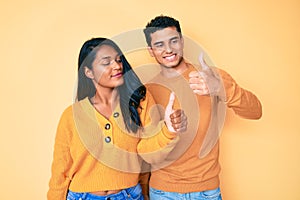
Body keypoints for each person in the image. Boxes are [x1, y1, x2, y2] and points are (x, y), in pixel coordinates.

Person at [47, 37, 187, 200]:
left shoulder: (139, 102)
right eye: (106, 62)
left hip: (128, 195)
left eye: (118, 60)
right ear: (88, 72)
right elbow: (60, 170)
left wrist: (168, 131)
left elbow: (148, 154)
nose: (117, 66)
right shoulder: (71, 116)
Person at [143, 15, 262, 199]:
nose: (168, 49)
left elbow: (255, 111)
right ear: (151, 51)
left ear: (182, 42)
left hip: (207, 191)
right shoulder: (149, 90)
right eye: (159, 45)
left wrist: (221, 89)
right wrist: (167, 129)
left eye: (173, 41)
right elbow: (147, 152)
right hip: (162, 191)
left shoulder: (211, 76)